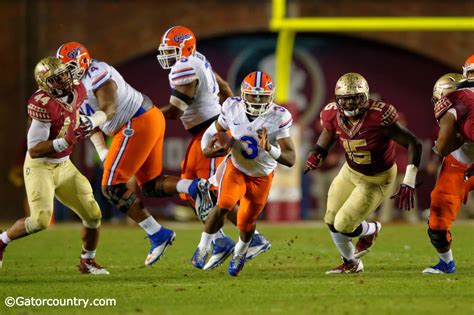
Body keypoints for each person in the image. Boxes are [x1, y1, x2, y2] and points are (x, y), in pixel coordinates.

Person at [56, 42, 214, 267]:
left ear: (83, 63)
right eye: (62, 69)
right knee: (150, 185)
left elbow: (108, 108)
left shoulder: (97, 73)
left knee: (111, 187)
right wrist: (103, 152)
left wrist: (92, 121)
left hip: (137, 121)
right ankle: (192, 187)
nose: (65, 74)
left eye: (69, 67)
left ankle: (157, 234)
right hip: (145, 119)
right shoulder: (71, 90)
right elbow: (90, 125)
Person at [156, 26, 272, 268]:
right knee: (190, 188)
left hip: (210, 131)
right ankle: (220, 241)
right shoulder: (198, 59)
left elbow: (176, 112)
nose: (167, 55)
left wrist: (144, 115)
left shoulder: (185, 66)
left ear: (185, 48)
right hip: (204, 131)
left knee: (210, 190)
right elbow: (225, 88)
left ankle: (254, 239)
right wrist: (230, 111)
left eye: (171, 50)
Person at [305, 72, 422, 274]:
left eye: (355, 98)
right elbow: (329, 133)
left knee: (343, 223)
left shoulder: (379, 117)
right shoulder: (332, 114)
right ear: (338, 100)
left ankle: (371, 230)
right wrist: (318, 152)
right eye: (346, 99)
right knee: (330, 218)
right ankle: (351, 263)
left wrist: (409, 180)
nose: (350, 104)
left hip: (376, 178)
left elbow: (414, 143)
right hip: (350, 172)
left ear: (365, 97)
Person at [0, 57, 108, 274]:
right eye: (55, 78)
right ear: (44, 84)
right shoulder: (41, 103)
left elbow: (77, 117)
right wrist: (65, 141)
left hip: (64, 165)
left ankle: (87, 262)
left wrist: (90, 122)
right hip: (41, 166)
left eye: (63, 74)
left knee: (93, 215)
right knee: (40, 220)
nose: (63, 80)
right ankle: (1, 240)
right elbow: (35, 149)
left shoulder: (78, 89)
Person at [191, 71, 296, 276]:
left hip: (262, 176)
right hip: (236, 169)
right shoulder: (231, 107)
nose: (257, 101)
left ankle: (240, 251)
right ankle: (202, 248)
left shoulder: (279, 116)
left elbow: (291, 158)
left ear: (271, 96)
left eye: (262, 96)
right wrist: (206, 150)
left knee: (246, 224)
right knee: (223, 205)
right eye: (252, 95)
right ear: (243, 94)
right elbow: (213, 131)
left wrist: (270, 149)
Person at [423, 71, 474, 274]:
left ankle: (446, 263)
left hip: (462, 162)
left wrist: (457, 137)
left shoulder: (455, 103)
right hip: (460, 163)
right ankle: (446, 263)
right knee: (438, 217)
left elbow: (442, 148)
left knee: (437, 220)